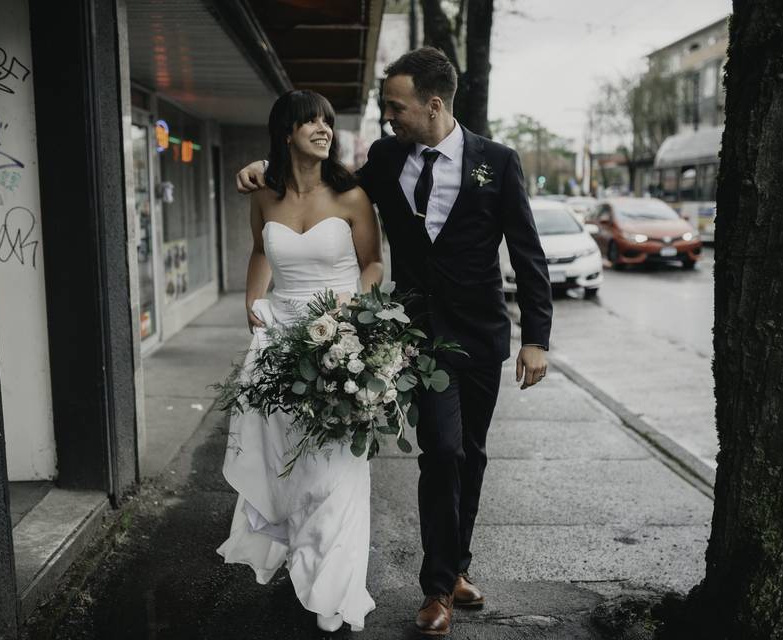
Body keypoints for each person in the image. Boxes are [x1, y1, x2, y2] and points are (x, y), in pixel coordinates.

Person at [236, 47, 553, 636]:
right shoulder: (385, 158)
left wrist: (538, 337)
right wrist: (263, 166)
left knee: (472, 453)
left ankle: (456, 565)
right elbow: (323, 187)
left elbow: (527, 254)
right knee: (443, 449)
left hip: (481, 334)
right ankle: (437, 590)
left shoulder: (498, 163)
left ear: (433, 106)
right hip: (420, 337)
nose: (388, 117)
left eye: (395, 106)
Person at [216, 89, 384, 633]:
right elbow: (263, 251)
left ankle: (334, 586)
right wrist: (251, 300)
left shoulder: (352, 195)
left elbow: (373, 263)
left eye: (327, 122)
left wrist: (351, 312)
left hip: (338, 343)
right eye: (309, 121)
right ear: (286, 132)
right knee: (288, 466)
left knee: (335, 468)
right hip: (279, 343)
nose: (322, 128)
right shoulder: (264, 194)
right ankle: (302, 558)